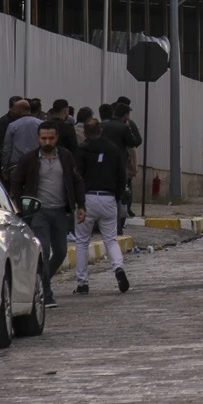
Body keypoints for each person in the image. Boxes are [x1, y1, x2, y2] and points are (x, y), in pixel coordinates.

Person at [11, 122, 85, 307]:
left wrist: (81, 205)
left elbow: (76, 181)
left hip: (60, 211)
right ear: (38, 138)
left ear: (57, 138)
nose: (47, 142)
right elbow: (16, 184)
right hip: (38, 213)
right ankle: (47, 293)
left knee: (60, 252)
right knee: (43, 251)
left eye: (51, 138)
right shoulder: (29, 159)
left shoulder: (66, 157)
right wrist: (22, 206)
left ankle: (41, 281)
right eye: (44, 138)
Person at [72, 119, 130, 296]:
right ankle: (118, 267)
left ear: (86, 133)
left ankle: (82, 283)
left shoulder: (81, 150)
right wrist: (117, 196)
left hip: (86, 199)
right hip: (108, 198)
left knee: (82, 241)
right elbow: (122, 176)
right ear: (101, 131)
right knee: (110, 239)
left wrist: (77, 200)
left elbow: (76, 176)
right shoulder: (114, 149)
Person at [101, 102, 141, 231]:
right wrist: (128, 127)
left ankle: (102, 225)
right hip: (119, 166)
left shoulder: (103, 125)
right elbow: (133, 142)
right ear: (125, 115)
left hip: (103, 164)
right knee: (120, 195)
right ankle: (117, 226)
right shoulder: (124, 127)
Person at [1, 100, 43, 178]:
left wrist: (5, 167)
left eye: (14, 109)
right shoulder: (41, 124)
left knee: (16, 189)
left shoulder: (12, 126)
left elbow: (7, 148)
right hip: (37, 163)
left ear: (20, 110)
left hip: (17, 165)